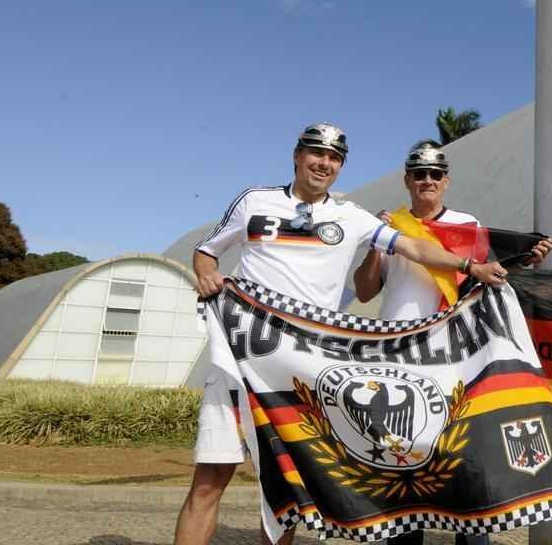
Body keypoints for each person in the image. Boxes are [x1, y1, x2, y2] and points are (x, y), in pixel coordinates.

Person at [174, 124, 510, 545]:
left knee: (285, 495)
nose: (324, 163)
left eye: (334, 158)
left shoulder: (352, 217)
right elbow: (207, 251)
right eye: (316, 153)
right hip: (239, 363)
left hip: (301, 372)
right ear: (297, 155)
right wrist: (205, 275)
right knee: (209, 482)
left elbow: (415, 249)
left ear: (341, 167)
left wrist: (470, 268)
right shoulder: (254, 201)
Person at [352, 141, 552, 545]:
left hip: (455, 355)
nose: (427, 180)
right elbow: (362, 291)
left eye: (435, 174)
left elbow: (494, 267)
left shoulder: (465, 224)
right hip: (399, 357)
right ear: (407, 180)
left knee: (467, 461)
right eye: (419, 173)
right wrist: (378, 242)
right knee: (404, 464)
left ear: (446, 181)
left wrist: (528, 252)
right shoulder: (388, 225)